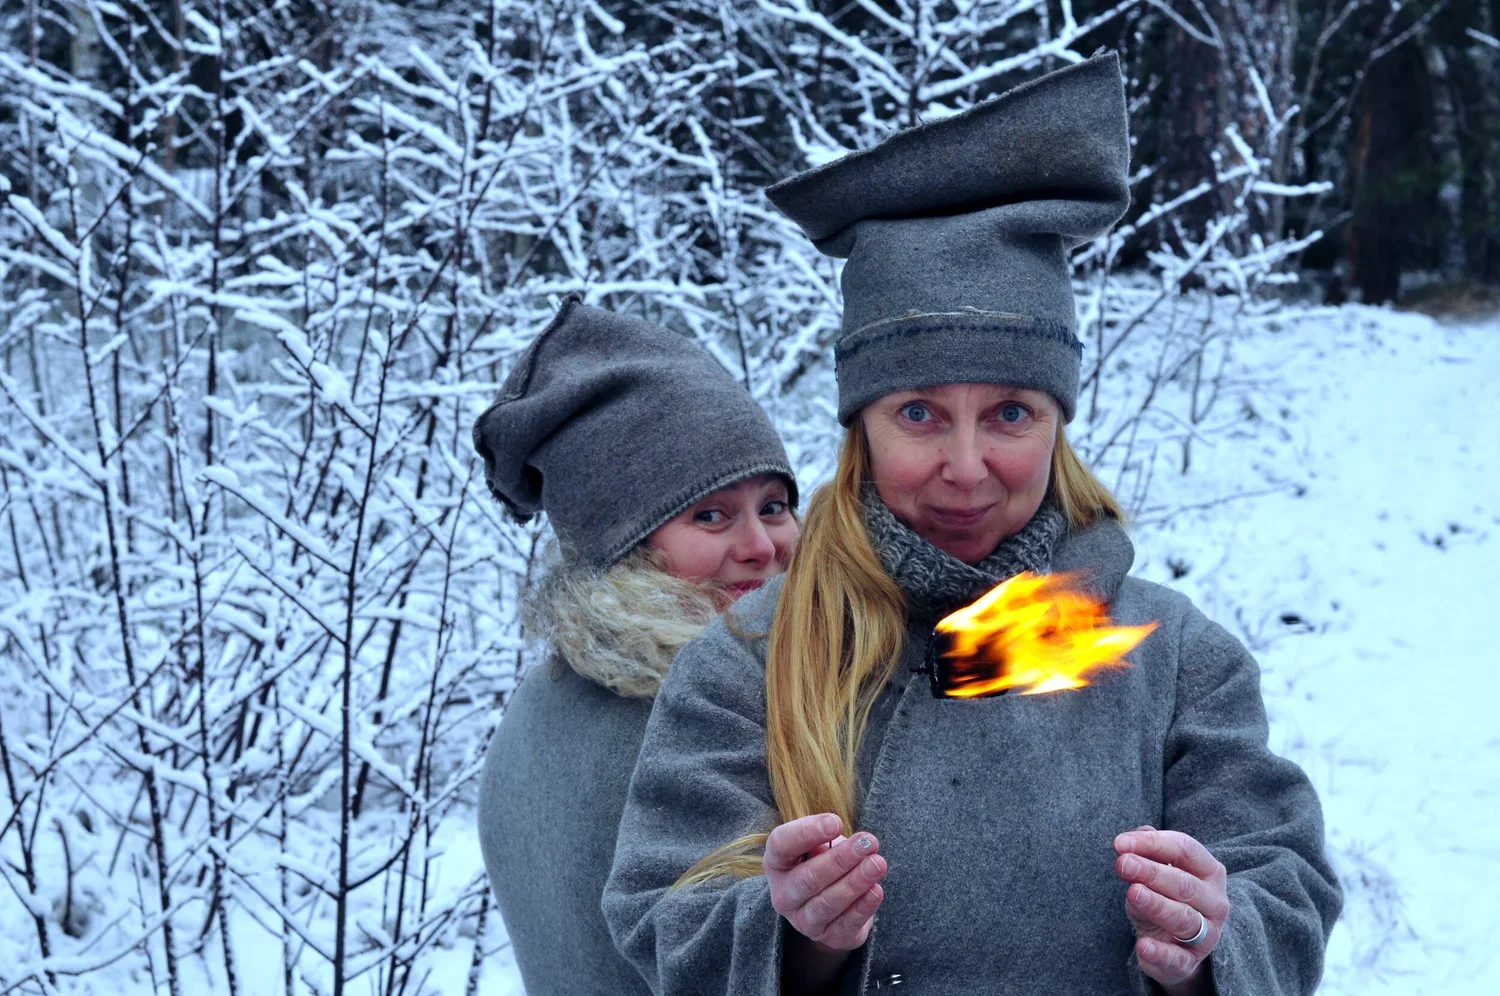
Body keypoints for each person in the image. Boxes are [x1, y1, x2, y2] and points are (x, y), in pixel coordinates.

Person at [602, 54, 1341, 996]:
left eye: (1009, 414)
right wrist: (799, 938)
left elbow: (1287, 889)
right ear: (860, 429)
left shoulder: (1173, 658)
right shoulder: (751, 655)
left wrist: (1207, 949)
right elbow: (658, 913)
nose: (964, 464)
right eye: (918, 413)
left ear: (1058, 425)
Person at [471, 295, 800, 996]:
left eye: (773, 505)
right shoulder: (695, 732)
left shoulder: (550, 696)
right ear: (620, 544)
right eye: (710, 515)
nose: (762, 545)